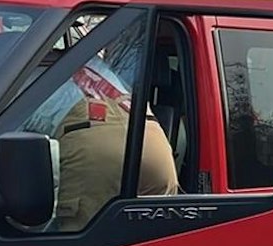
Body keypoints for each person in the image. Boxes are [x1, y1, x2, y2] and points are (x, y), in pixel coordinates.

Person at [48, 56, 179, 232]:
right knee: (153, 240)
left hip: (96, 155)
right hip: (152, 141)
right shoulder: (94, 61)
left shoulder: (19, 76)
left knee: (81, 244)